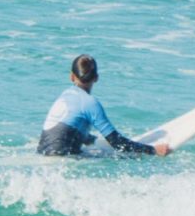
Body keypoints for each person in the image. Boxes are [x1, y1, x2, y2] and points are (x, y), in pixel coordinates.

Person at [37, 54, 170, 157]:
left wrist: (93, 140)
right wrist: (153, 150)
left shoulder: (65, 95)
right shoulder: (90, 103)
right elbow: (118, 143)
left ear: (72, 77)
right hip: (64, 161)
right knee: (127, 158)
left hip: (42, 156)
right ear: (96, 78)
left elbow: (68, 131)